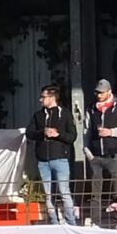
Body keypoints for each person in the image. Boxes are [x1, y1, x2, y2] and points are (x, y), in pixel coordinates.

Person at [27, 84, 79, 225]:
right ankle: (54, 222)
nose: (40, 100)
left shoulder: (65, 114)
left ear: (52, 97)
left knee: (64, 192)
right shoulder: (38, 116)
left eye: (43, 97)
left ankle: (71, 222)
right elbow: (29, 133)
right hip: (43, 160)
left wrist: (58, 134)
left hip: (60, 158)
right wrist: (42, 132)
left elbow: (72, 136)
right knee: (49, 194)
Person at [84, 78, 117, 225]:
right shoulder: (91, 108)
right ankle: (95, 223)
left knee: (115, 191)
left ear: (109, 92)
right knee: (95, 192)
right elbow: (86, 131)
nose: (98, 95)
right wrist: (88, 153)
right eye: (97, 92)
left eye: (101, 93)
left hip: (113, 154)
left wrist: (111, 132)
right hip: (95, 156)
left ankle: (116, 222)